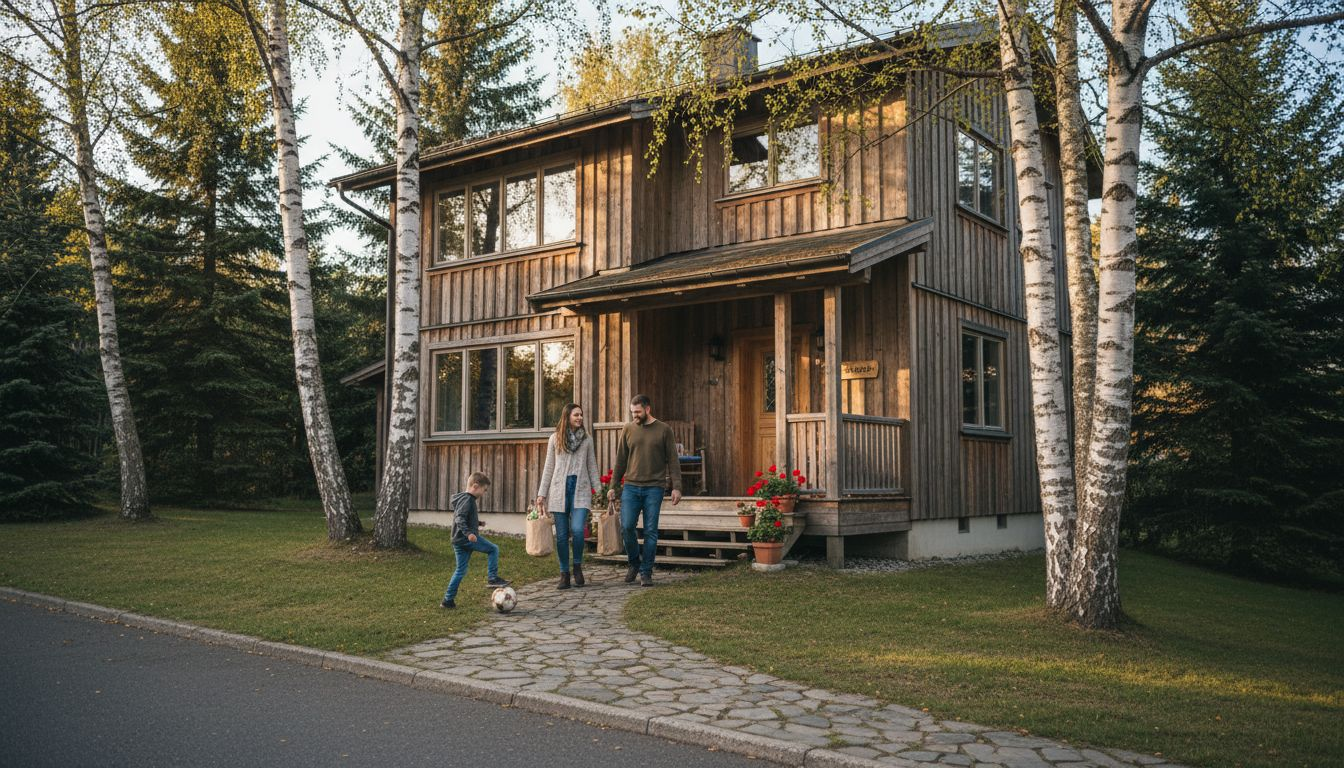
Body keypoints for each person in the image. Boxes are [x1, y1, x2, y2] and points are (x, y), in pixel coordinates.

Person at [610, 394, 681, 586]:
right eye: (632, 412)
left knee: (650, 531)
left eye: (638, 412)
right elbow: (620, 461)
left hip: (654, 488)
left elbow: (673, 460)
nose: (634, 416)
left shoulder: (664, 430)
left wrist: (677, 487)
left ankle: (646, 571)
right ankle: (634, 563)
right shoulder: (628, 429)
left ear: (648, 409)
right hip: (631, 487)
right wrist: (613, 486)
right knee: (626, 527)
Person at [536, 403, 601, 590]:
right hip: (559, 491)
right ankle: (564, 573)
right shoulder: (555, 439)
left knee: (578, 530)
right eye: (576, 415)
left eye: (581, 415)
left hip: (580, 490)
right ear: (567, 417)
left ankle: (578, 566)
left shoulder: (587, 440)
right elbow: (549, 467)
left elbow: (592, 466)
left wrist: (600, 491)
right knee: (562, 536)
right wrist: (542, 494)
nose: (580, 418)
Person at [441, 471, 511, 609]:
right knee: (493, 549)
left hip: (458, 541)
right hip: (467, 539)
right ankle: (492, 578)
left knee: (460, 570)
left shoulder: (463, 498)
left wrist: (477, 523)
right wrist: (468, 533)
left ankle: (447, 600)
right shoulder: (468, 500)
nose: (483, 493)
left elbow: (464, 517)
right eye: (484, 490)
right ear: (475, 486)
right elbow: (459, 518)